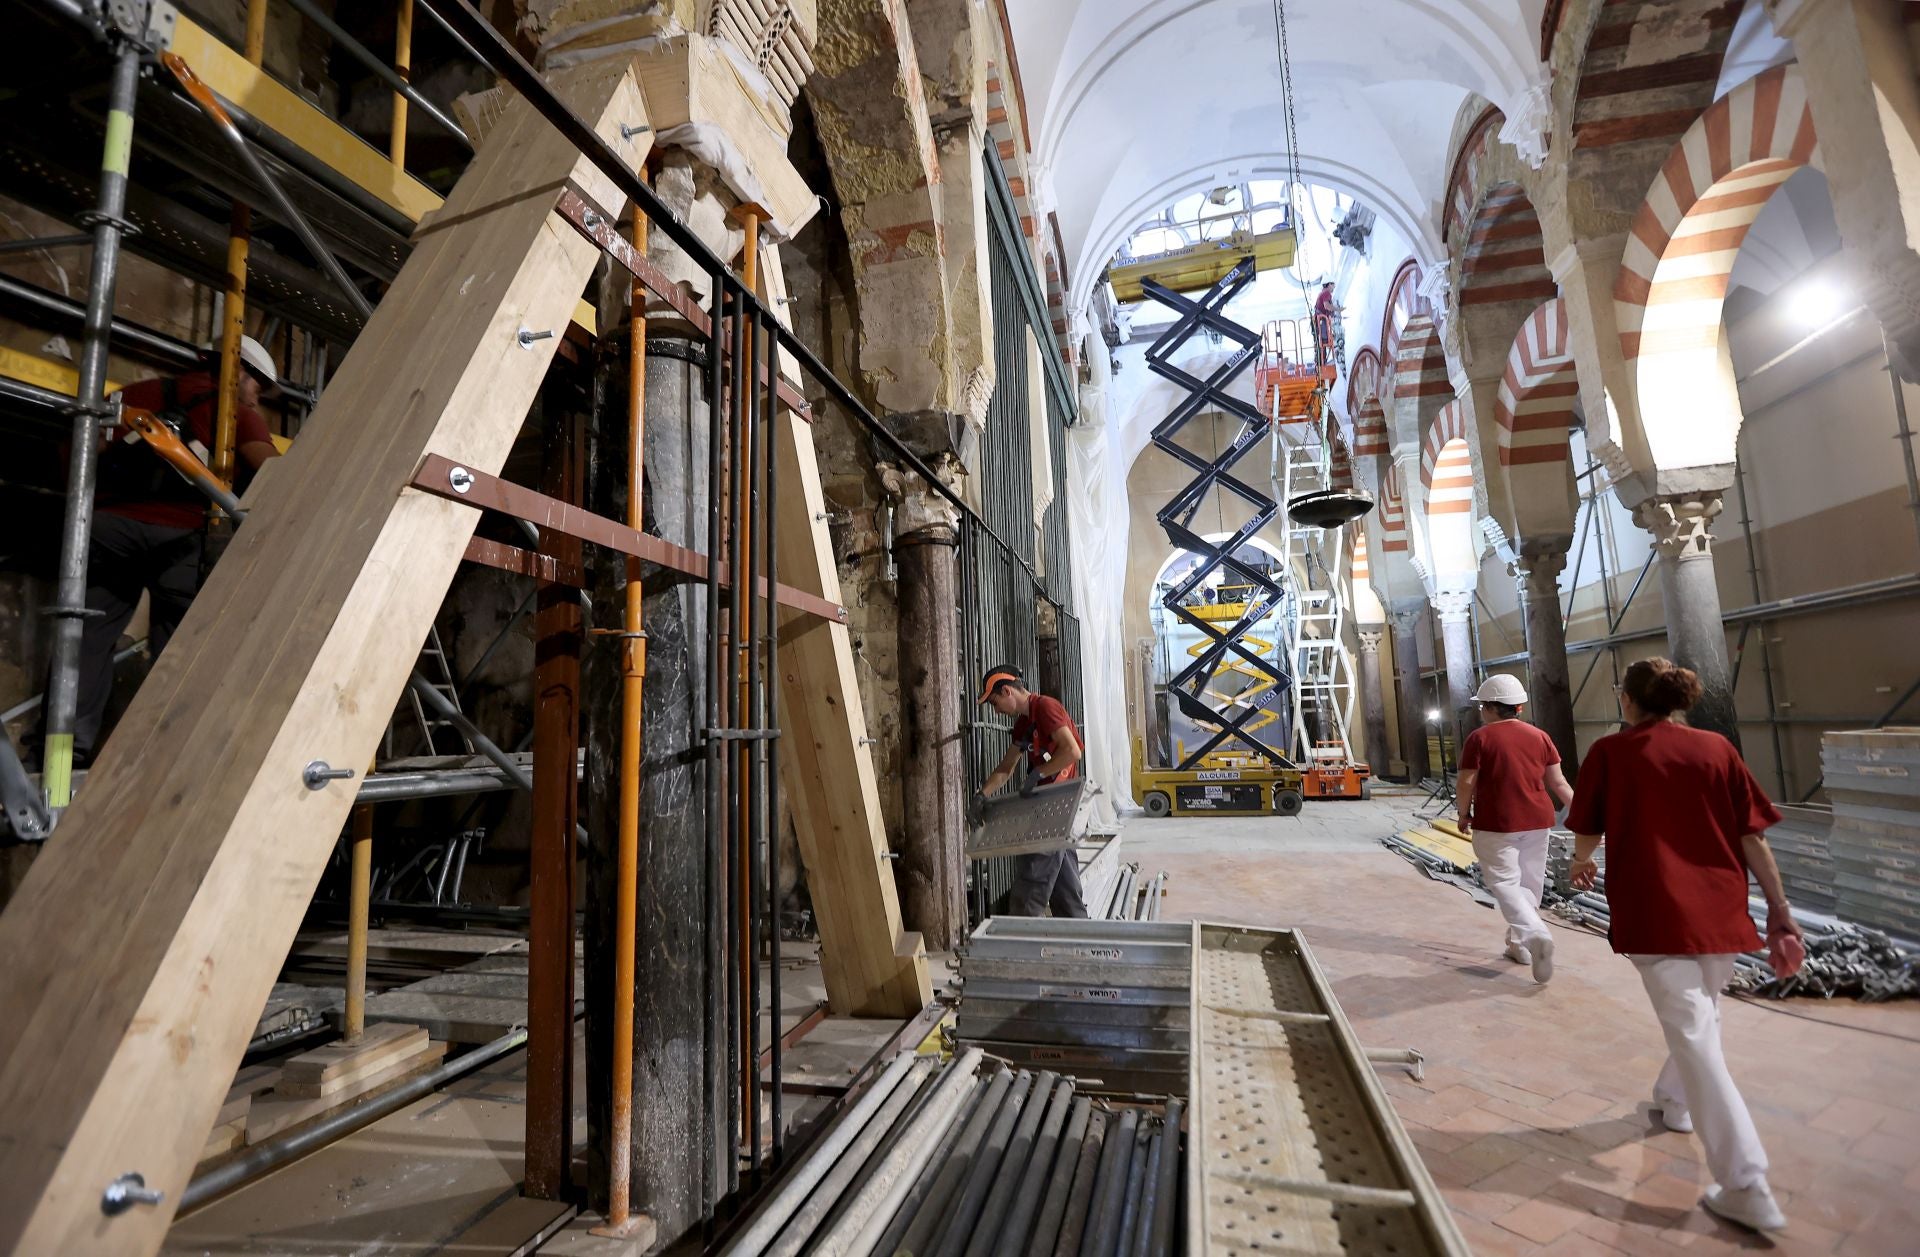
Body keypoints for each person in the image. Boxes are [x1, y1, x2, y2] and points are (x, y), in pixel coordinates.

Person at [1566, 657, 1800, 1235]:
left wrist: (1582, 859)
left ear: (1628, 700)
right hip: (1720, 909)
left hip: (1658, 910)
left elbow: (1587, 823)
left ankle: (1747, 1183)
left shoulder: (1611, 754)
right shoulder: (1716, 749)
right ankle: (1674, 1101)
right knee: (1702, 1014)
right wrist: (1780, 909)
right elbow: (1752, 836)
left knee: (1695, 1032)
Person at [72, 336, 282, 763]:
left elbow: (80, 451)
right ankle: (165, 755)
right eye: (258, 386)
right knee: (179, 649)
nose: (258, 398)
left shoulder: (135, 394)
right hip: (182, 538)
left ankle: (66, 746)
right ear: (238, 372)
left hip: (109, 528)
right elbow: (273, 471)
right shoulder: (234, 414)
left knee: (86, 635)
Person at [1454, 674, 1574, 983]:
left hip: (1497, 823)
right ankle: (1520, 946)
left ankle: (1535, 936)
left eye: (1482, 706)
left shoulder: (1479, 738)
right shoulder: (1540, 736)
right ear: (1518, 707)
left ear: (1491, 707)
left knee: (1506, 884)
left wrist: (1463, 813)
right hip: (1538, 821)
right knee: (1530, 884)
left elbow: (1467, 780)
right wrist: (1581, 813)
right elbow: (1558, 783)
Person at [975, 664, 1089, 918]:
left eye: (995, 703)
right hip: (1052, 804)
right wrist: (981, 794)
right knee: (1065, 888)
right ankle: (1077, 933)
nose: (996, 711)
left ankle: (1019, 942)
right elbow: (1006, 768)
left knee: (1031, 883)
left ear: (1007, 691)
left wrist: (1039, 773)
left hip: (1058, 804)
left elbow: (1072, 752)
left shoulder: (1046, 707)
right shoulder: (1024, 724)